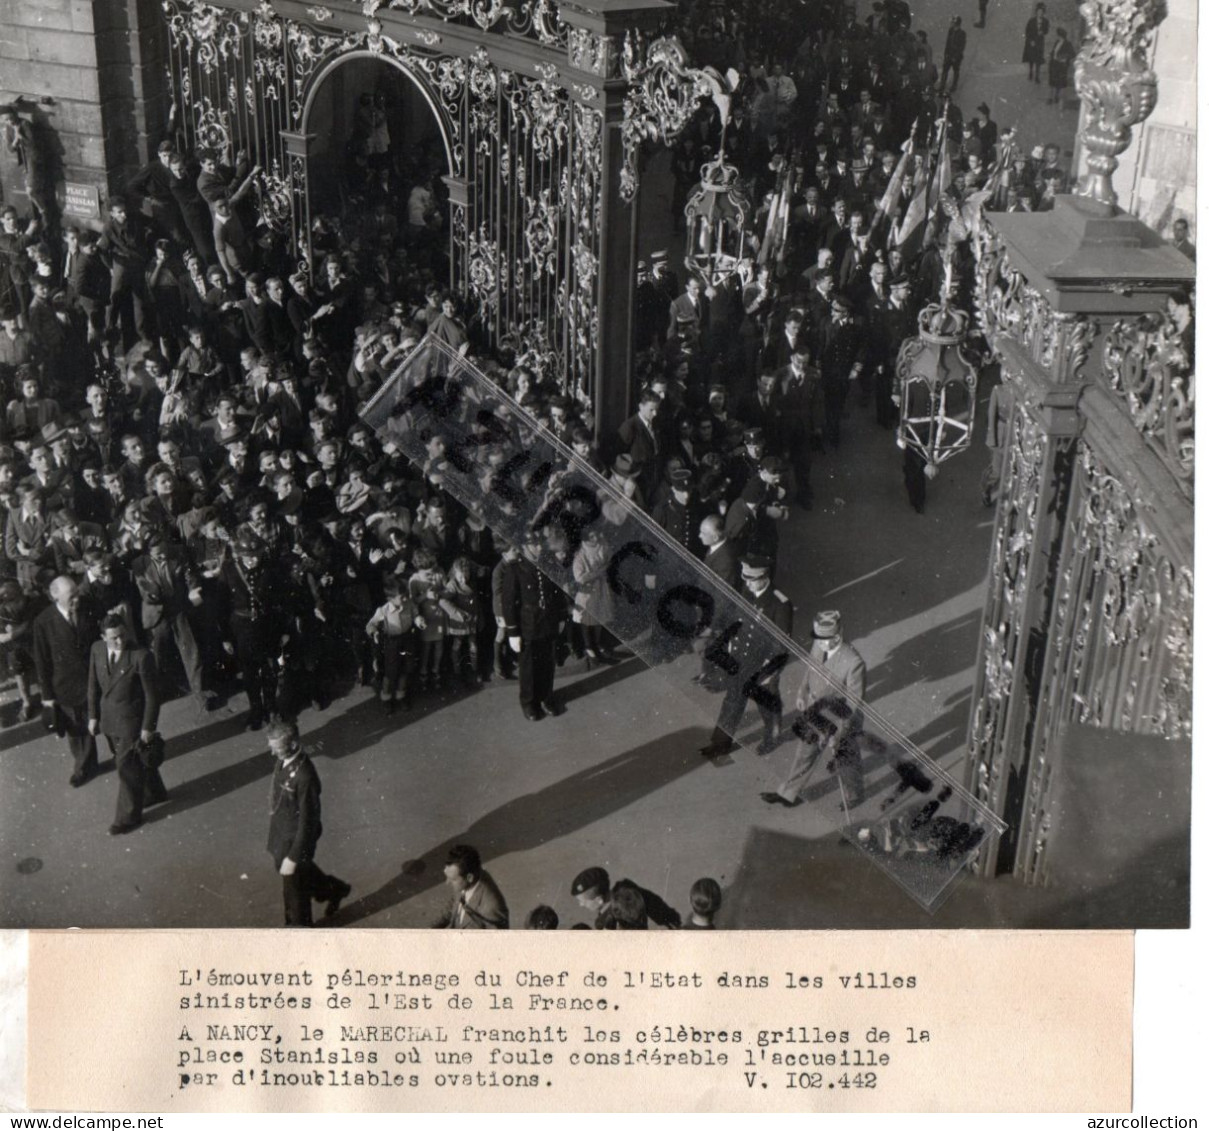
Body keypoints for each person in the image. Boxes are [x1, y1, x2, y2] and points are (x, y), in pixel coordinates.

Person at [763, 610, 867, 810]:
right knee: (805, 753)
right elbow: (810, 671)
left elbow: (854, 703)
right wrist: (802, 692)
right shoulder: (818, 645)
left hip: (840, 716)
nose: (819, 643)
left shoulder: (853, 662)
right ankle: (788, 794)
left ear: (837, 637)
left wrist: (840, 731)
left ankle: (854, 795)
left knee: (845, 758)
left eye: (824, 639)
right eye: (817, 639)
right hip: (815, 712)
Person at [699, 554, 794, 759]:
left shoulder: (779, 602)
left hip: (762, 663)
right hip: (740, 659)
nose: (748, 584)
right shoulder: (747, 592)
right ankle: (720, 744)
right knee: (732, 700)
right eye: (747, 579)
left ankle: (772, 736)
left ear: (764, 576)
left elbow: (781, 642)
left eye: (752, 579)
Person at [266, 720, 351, 926]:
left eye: (277, 749)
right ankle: (333, 889)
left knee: (294, 891)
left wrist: (294, 856)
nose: (273, 753)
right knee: (298, 873)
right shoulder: (285, 761)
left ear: (293, 745)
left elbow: (308, 820)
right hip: (283, 835)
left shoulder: (304, 775)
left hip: (295, 841)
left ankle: (299, 930)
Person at [87, 614, 164, 834]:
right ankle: (155, 792)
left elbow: (152, 696)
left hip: (131, 722)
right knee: (136, 763)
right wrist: (93, 716)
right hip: (108, 720)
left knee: (126, 769)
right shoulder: (97, 649)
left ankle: (127, 818)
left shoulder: (140, 656)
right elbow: (92, 685)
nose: (120, 642)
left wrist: (148, 727)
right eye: (114, 638)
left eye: (122, 636)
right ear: (103, 637)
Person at [32, 576, 99, 787]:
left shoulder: (89, 607)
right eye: (71, 597)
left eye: (77, 594)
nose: (77, 600)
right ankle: (85, 767)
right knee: (77, 730)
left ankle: (124, 757)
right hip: (66, 687)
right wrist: (47, 698)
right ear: (55, 596)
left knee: (108, 719)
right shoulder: (43, 622)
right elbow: (42, 662)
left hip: (95, 678)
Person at [501, 530, 567, 721]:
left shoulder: (549, 563)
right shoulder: (515, 569)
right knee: (529, 666)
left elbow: (557, 591)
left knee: (547, 663)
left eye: (539, 544)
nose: (538, 548)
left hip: (548, 622)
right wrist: (512, 632)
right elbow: (508, 603)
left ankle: (546, 698)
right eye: (533, 545)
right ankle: (529, 703)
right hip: (527, 625)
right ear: (524, 547)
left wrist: (562, 616)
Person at [570, 866, 681, 929]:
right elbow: (656, 903)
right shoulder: (627, 889)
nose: (581, 905)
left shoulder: (607, 923)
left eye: (582, 901)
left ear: (599, 900)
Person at [434, 844, 508, 929]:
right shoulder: (465, 882)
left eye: (453, 879)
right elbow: (452, 908)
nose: (447, 882)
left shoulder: (491, 907)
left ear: (469, 878)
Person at [1047, 28, 1076, 107]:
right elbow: (1054, 51)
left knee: (1059, 82)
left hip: (1061, 65)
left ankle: (1056, 96)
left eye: (1058, 35)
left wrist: (1065, 58)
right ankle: (1050, 98)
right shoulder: (1057, 42)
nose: (1056, 36)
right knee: (1052, 81)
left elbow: (1073, 54)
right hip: (1054, 64)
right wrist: (1051, 54)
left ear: (1060, 35)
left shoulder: (1067, 44)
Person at [939, 17, 967, 95]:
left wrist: (956, 56)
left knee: (956, 70)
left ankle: (954, 85)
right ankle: (942, 85)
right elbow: (947, 43)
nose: (951, 24)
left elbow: (961, 46)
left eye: (953, 22)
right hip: (949, 54)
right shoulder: (950, 31)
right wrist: (946, 54)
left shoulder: (962, 33)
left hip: (956, 56)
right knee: (945, 70)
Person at [1023, 3, 1050, 84]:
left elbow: (1046, 31)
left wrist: (1043, 32)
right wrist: (1030, 41)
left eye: (1041, 12)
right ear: (1036, 12)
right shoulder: (1031, 21)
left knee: (1038, 59)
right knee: (1031, 59)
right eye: (1039, 12)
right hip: (1032, 42)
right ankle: (1031, 72)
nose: (1040, 13)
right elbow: (1027, 31)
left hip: (1040, 42)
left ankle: (1037, 76)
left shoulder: (1045, 21)